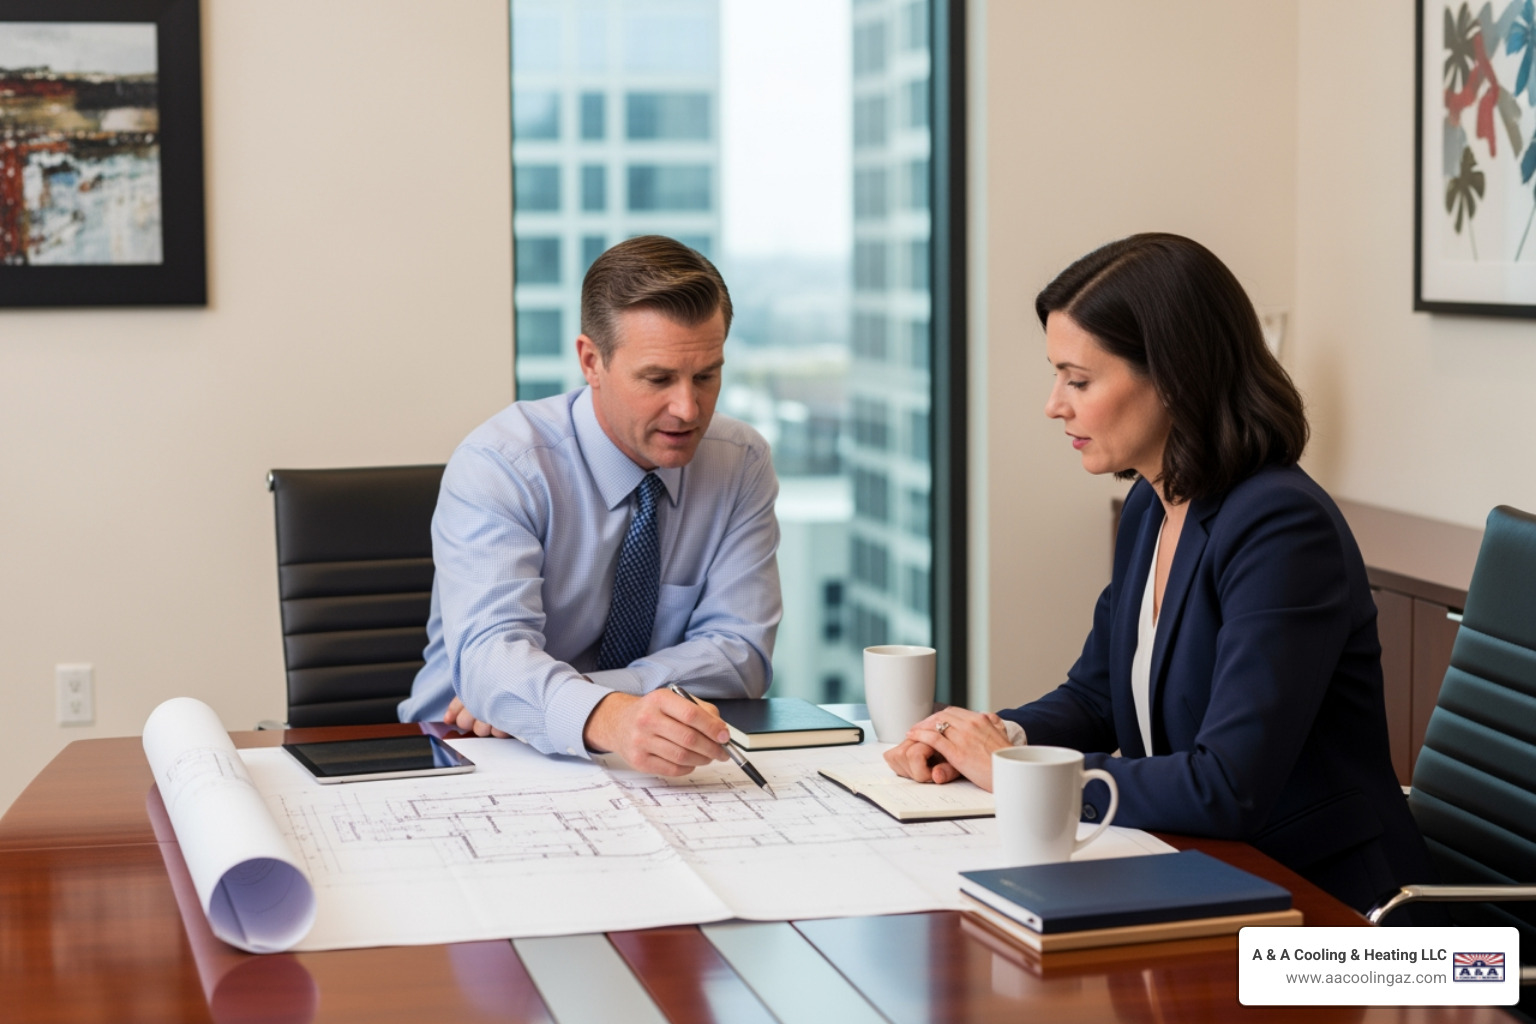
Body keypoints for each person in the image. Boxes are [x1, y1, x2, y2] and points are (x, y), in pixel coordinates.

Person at [885, 232, 1436, 913]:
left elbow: (1225, 785)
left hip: (1339, 914)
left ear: (1175, 377)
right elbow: (1098, 699)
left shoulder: (1281, 529)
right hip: (1213, 875)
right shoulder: (1153, 501)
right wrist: (984, 739)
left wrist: (1015, 774)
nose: (1055, 404)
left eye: (1079, 380)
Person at [399, 235, 782, 778]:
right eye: (657, 378)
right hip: (465, 751)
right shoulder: (502, 464)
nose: (687, 408)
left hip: (635, 760)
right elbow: (490, 661)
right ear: (591, 361)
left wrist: (592, 705)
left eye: (706, 375)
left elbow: (741, 655)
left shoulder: (739, 461)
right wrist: (606, 716)